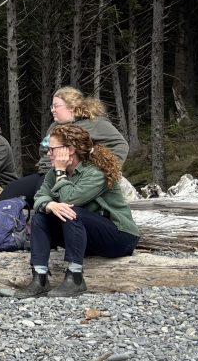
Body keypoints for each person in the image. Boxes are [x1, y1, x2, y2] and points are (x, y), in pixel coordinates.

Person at [0, 87, 130, 248]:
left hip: (68, 175)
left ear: (72, 106)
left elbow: (121, 146)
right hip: (45, 173)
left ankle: (43, 244)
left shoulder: (96, 124)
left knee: (44, 203)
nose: (52, 110)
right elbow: (44, 149)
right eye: (51, 106)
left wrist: (97, 166)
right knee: (11, 190)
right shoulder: (54, 126)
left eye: (56, 106)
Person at [21, 124, 139, 298]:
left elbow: (70, 199)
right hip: (87, 236)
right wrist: (49, 205)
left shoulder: (96, 171)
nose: (48, 154)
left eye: (52, 149)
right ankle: (40, 278)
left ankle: (75, 278)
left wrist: (60, 172)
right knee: (41, 216)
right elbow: (39, 197)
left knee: (72, 211)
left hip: (120, 237)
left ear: (69, 150)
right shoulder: (54, 174)